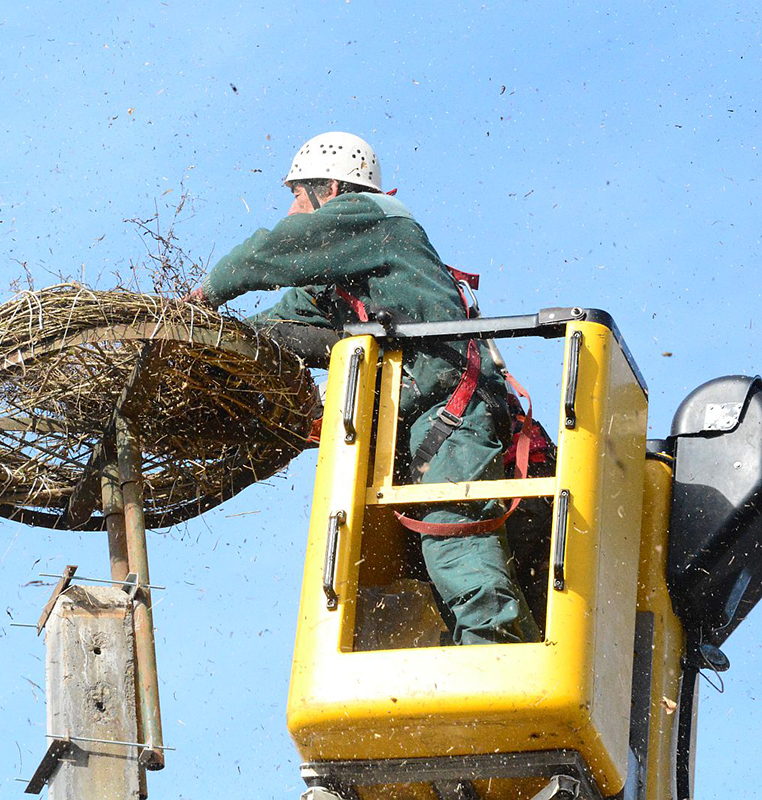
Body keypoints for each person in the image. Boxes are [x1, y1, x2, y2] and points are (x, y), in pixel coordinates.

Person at [189, 131, 539, 645]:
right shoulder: (344, 272)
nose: (290, 209)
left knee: (451, 534)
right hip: (417, 422)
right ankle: (492, 656)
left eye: (296, 194)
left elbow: (268, 253)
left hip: (454, 409)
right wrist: (210, 350)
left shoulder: (371, 215)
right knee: (422, 565)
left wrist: (199, 299)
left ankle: (494, 660)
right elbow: (278, 325)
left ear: (329, 188)